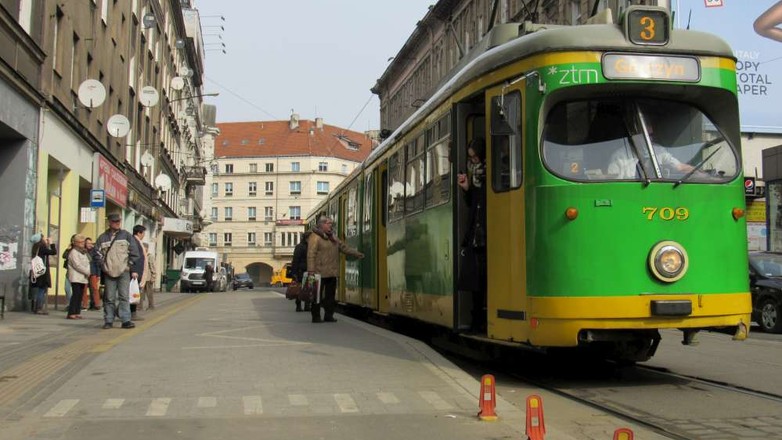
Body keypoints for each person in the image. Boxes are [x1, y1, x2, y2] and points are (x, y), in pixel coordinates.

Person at [306, 216, 364, 323]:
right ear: (321, 225)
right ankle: (316, 316)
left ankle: (329, 315)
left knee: (330, 297)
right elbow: (311, 254)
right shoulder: (315, 237)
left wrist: (357, 254)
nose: (330, 226)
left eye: (331, 224)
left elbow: (344, 247)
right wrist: (311, 271)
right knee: (316, 296)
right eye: (328, 223)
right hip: (318, 273)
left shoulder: (333, 237)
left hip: (332, 272)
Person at [456, 138, 487, 332]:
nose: (473, 161)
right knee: (476, 279)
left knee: (482, 277)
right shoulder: (474, 176)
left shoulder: (491, 173)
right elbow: (473, 202)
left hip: (486, 231)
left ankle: (480, 318)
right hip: (476, 234)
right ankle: (476, 319)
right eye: (470, 158)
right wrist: (467, 188)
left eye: (475, 157)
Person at [95, 213, 140, 329]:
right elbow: (96, 254)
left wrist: (128, 266)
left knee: (124, 296)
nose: (117, 223)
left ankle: (126, 320)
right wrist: (103, 266)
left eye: (118, 221)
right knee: (109, 298)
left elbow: (135, 252)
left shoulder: (126, 236)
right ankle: (108, 320)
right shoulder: (102, 238)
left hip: (123, 271)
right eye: (114, 221)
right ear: (109, 222)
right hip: (109, 272)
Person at [30, 233, 57, 315]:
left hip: (37, 271)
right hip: (42, 272)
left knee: (39, 289)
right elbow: (53, 252)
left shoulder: (36, 247)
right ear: (40, 239)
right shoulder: (41, 247)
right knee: (41, 289)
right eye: (43, 238)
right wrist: (52, 243)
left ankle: (36, 307)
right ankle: (39, 308)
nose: (45, 239)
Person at [66, 234, 90, 320]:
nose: (82, 244)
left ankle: (77, 311)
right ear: (76, 243)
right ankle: (71, 312)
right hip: (76, 276)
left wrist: (87, 271)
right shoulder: (73, 252)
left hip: (83, 277)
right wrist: (87, 271)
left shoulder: (83, 252)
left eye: (83, 242)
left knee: (80, 295)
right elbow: (77, 265)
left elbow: (87, 262)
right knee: (75, 294)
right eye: (80, 242)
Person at [290, 231, 312, 312]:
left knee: (308, 288)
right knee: (300, 288)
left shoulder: (310, 246)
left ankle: (306, 305)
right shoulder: (300, 247)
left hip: (308, 270)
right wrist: (294, 272)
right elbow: (295, 260)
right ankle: (299, 305)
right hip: (301, 271)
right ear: (307, 238)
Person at [129, 225, 147, 320]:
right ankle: (131, 313)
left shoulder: (137, 242)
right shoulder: (134, 242)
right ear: (139, 233)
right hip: (135, 273)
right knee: (133, 293)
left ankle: (132, 313)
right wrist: (134, 270)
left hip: (138, 272)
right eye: (143, 233)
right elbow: (134, 257)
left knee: (134, 293)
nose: (144, 235)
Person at [84, 237, 102, 310]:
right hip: (84, 272)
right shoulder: (83, 250)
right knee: (84, 289)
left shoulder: (94, 251)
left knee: (94, 288)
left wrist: (98, 274)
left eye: (91, 243)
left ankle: (96, 304)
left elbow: (98, 263)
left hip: (93, 271)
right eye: (88, 243)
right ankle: (84, 304)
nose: (90, 245)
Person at [143, 243, 156, 310]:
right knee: (140, 293)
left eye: (144, 247)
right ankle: (139, 306)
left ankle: (151, 306)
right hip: (142, 278)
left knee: (149, 293)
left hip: (148, 277)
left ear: (147, 248)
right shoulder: (141, 255)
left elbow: (153, 266)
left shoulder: (150, 256)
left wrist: (153, 276)